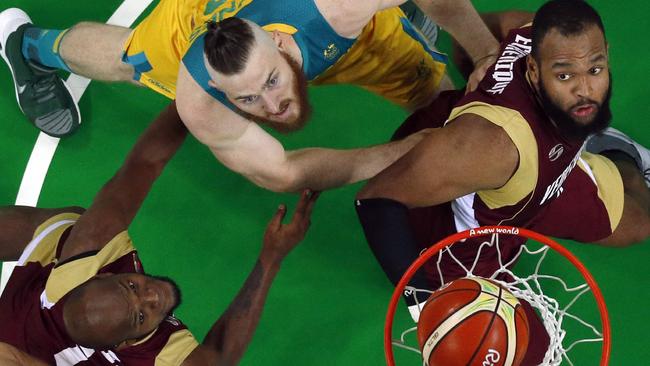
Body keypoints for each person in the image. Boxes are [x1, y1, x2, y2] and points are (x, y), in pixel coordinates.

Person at [354, 0, 649, 364]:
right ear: (534, 70)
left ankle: (618, 153)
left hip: (538, 176)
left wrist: (483, 64)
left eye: (595, 68)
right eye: (564, 75)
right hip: (458, 237)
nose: (584, 91)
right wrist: (426, 307)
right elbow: (376, 200)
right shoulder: (493, 145)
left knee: (638, 223)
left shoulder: (529, 30)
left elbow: (477, 35)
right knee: (524, 350)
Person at [0, 0, 500, 193]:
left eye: (271, 83)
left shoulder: (337, 10)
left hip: (339, 35)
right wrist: (404, 152)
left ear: (282, 47)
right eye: (248, 102)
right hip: (194, 21)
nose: (271, 107)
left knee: (425, 79)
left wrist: (485, 55)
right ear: (221, 92)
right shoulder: (198, 96)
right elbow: (283, 171)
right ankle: (28, 46)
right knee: (130, 59)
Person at [0, 102, 320, 365]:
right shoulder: (152, 358)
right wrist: (272, 257)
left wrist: (195, 98)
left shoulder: (85, 250)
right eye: (141, 316)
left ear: (98, 276)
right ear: (123, 345)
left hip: (15, 321)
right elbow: (220, 355)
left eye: (132, 285)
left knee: (69, 224)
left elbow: (145, 163)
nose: (152, 296)